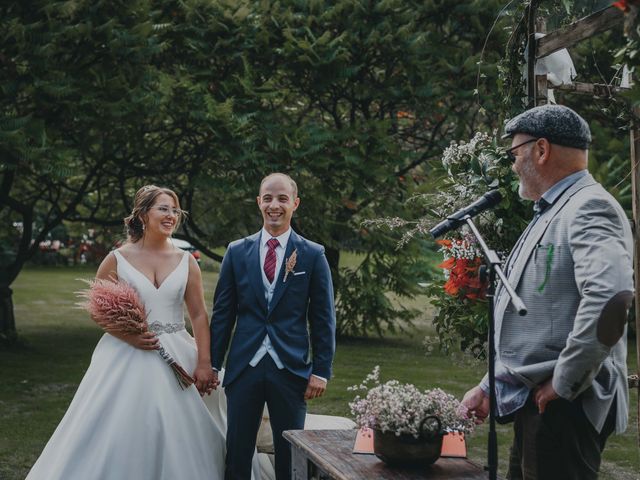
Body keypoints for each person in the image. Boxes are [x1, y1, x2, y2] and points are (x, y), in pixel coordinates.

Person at [26, 185, 262, 480]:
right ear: (142, 214)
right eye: (163, 208)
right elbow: (97, 309)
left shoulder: (187, 261)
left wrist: (204, 362)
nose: (171, 215)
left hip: (178, 349)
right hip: (126, 353)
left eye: (175, 210)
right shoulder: (116, 259)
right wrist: (129, 336)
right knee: (125, 423)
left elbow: (200, 315)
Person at [462, 105, 634, 480]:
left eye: (514, 152)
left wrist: (566, 379)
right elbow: (542, 322)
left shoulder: (589, 206)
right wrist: (489, 386)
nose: (512, 164)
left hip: (566, 406)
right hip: (539, 402)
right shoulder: (553, 209)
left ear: (541, 150)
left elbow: (612, 297)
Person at [211, 173, 336, 480]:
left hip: (291, 370)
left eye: (282, 198)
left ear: (295, 203)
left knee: (290, 455)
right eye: (267, 198)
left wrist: (320, 370)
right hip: (244, 368)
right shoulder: (237, 251)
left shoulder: (312, 254)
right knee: (238, 452)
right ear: (258, 203)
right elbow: (223, 314)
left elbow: (322, 318)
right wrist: (213, 364)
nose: (274, 205)